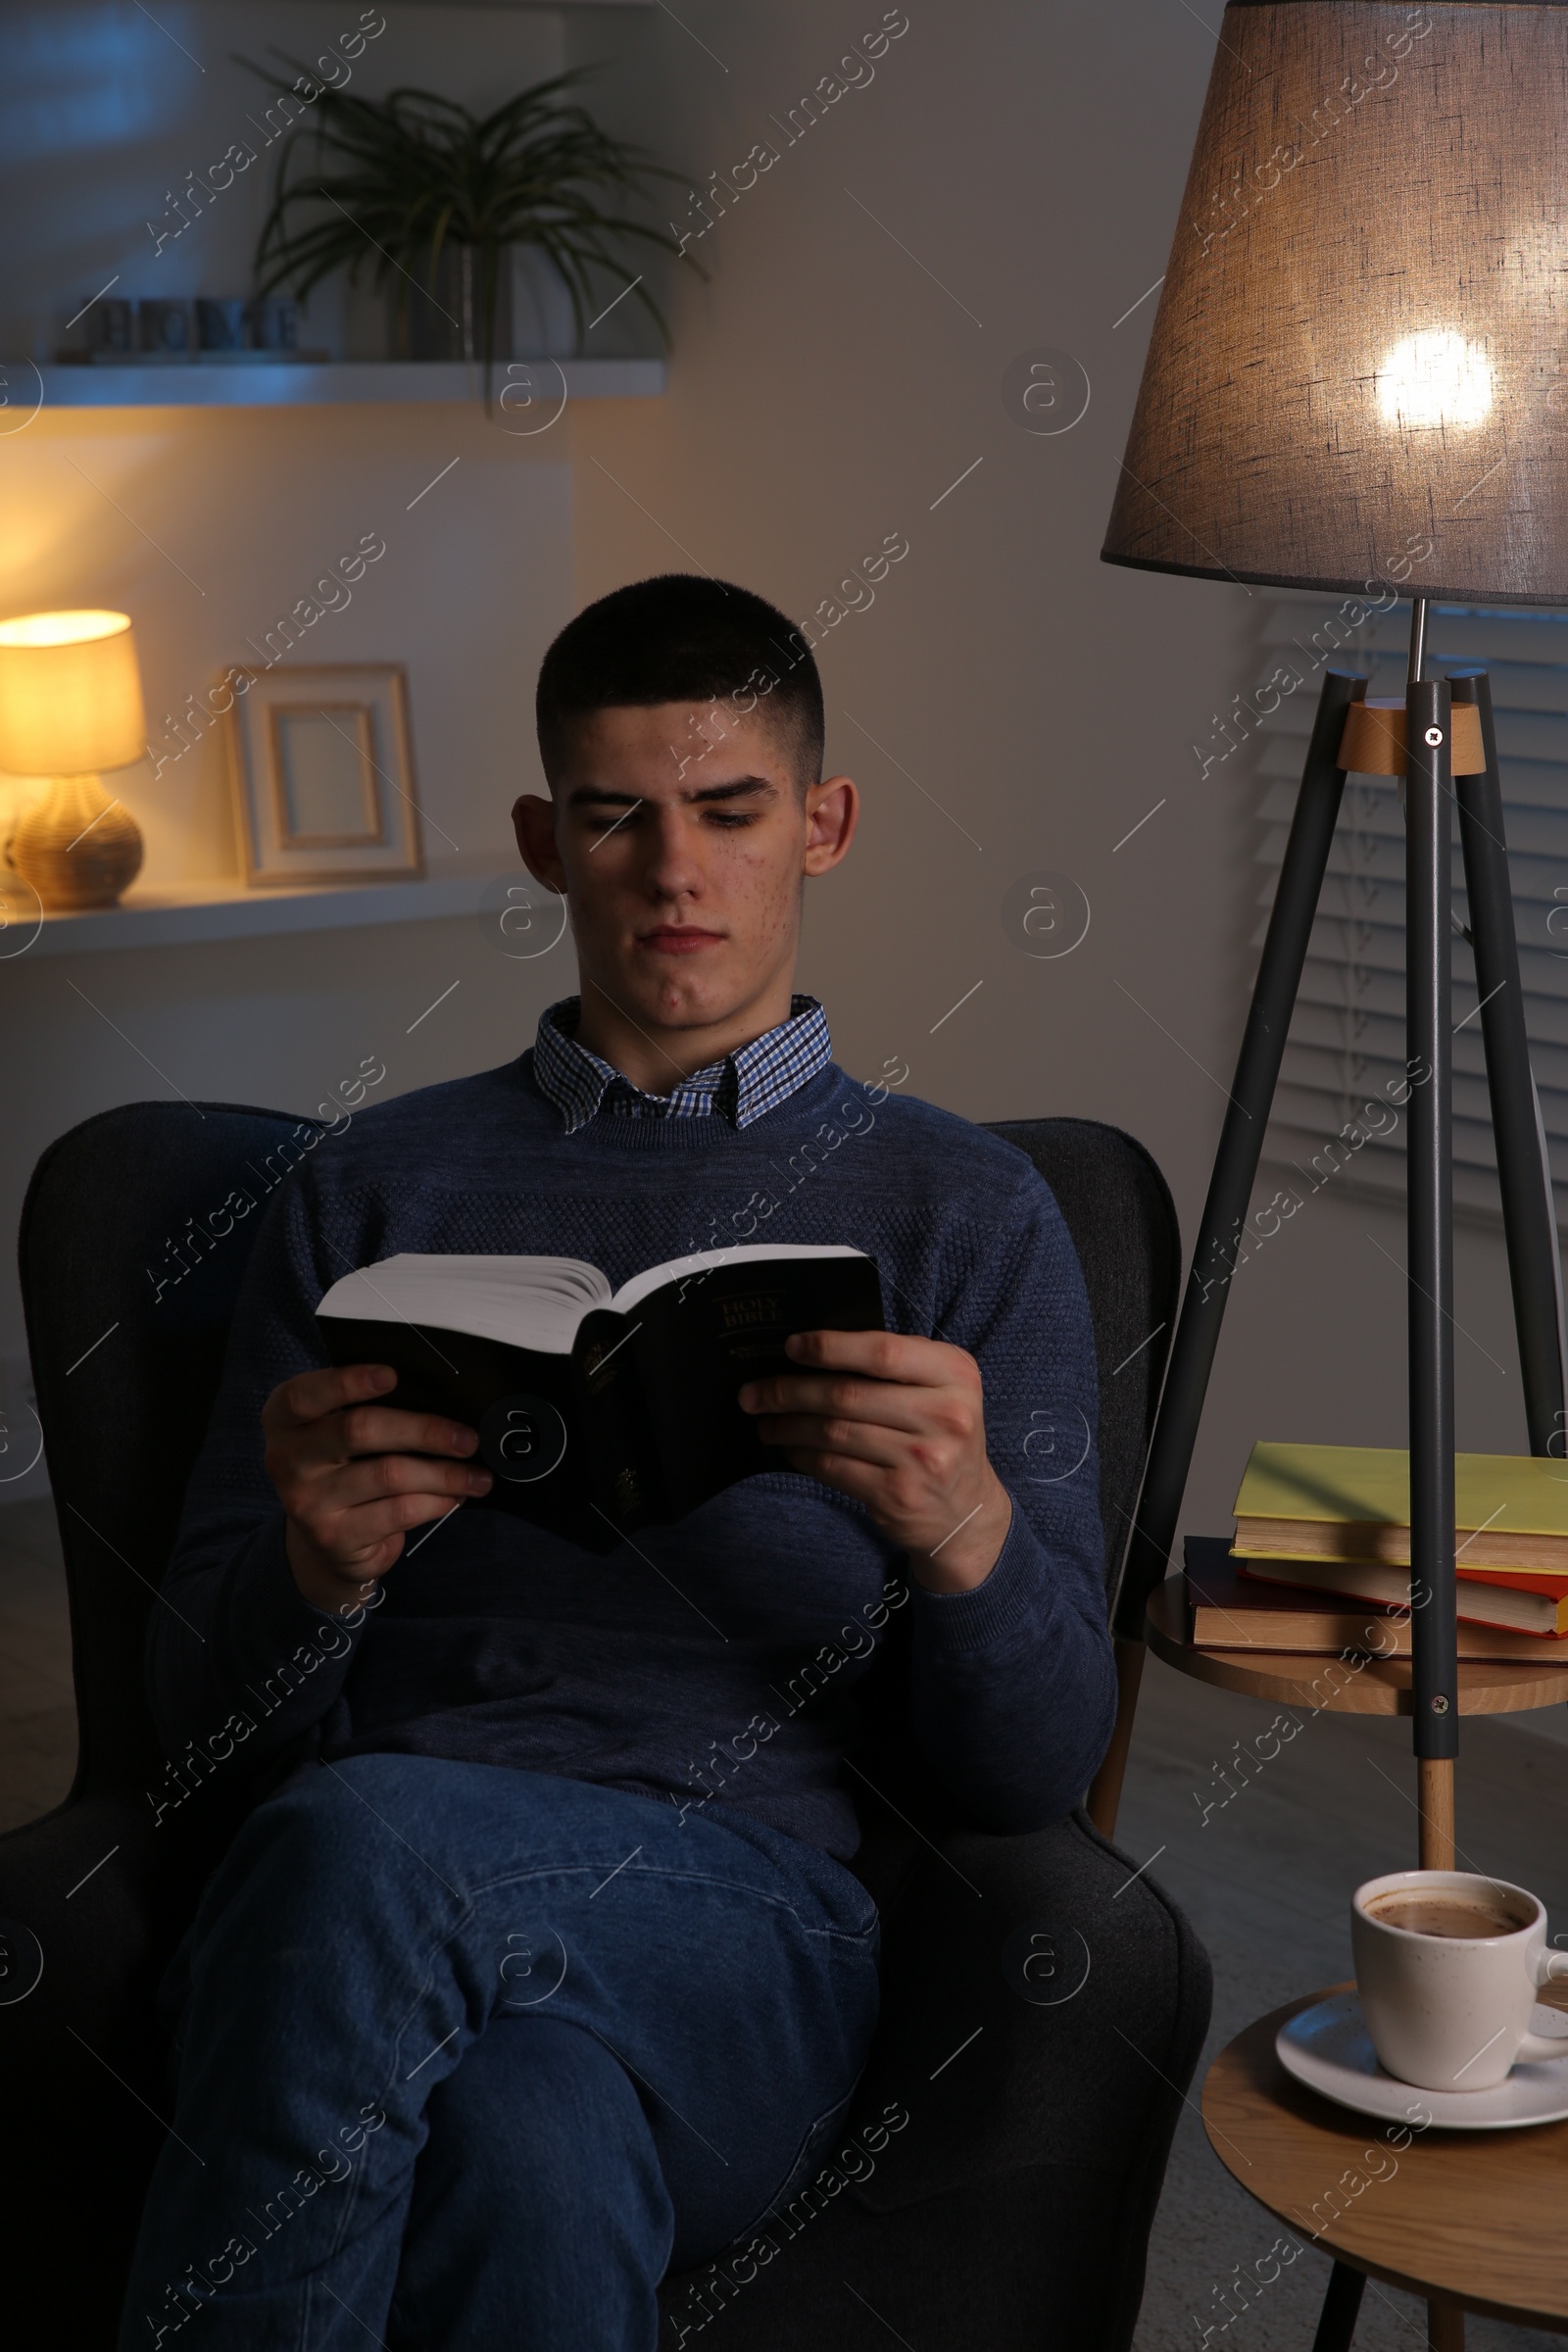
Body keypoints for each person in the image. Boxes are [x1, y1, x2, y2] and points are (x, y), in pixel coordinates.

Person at [118, 573, 1114, 2351]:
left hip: (747, 1936)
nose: (675, 872)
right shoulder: (372, 1192)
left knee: (358, 1845)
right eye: (615, 817)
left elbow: (1032, 1776)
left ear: (823, 825)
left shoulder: (963, 1211)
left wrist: (961, 1527)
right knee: (534, 2143)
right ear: (542, 840)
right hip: (365, 1924)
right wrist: (313, 1572)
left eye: (730, 813)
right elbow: (192, 1725)